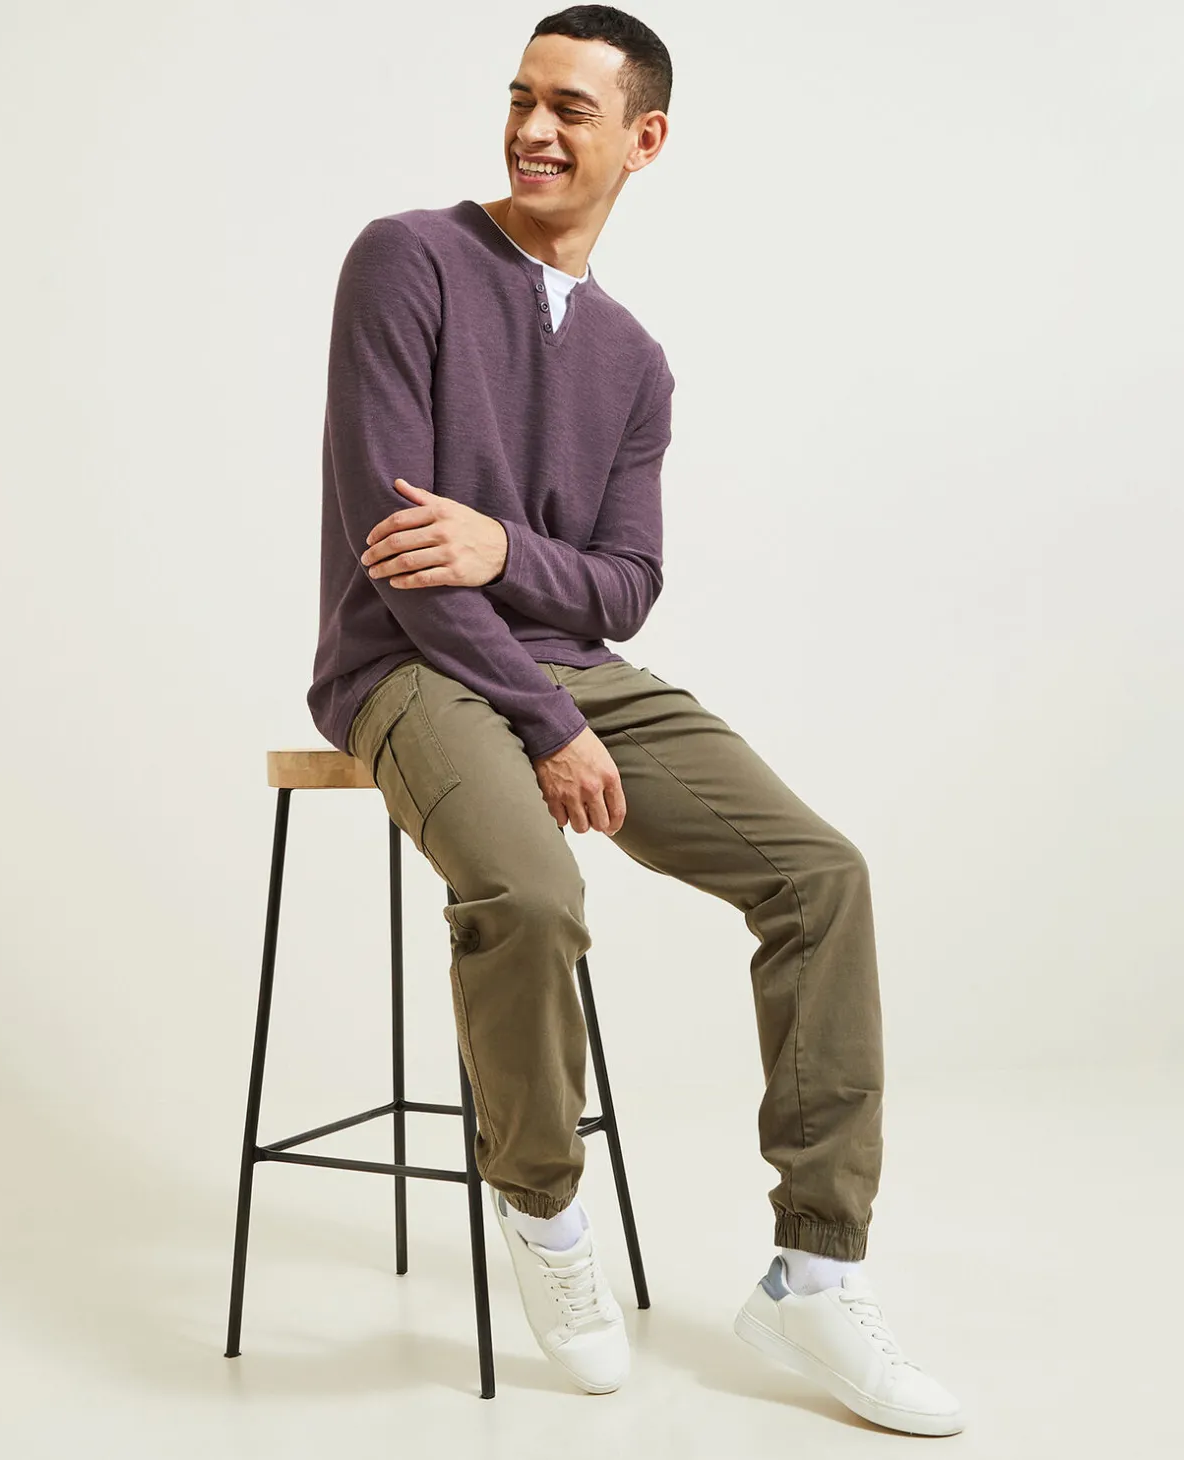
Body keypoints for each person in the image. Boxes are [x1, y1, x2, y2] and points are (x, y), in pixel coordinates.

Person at [306, 4, 965, 1435]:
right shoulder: (407, 259)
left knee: (821, 875)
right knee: (532, 894)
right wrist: (543, 714)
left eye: (573, 108)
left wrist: (505, 550)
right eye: (521, 97)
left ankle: (815, 1273)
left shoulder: (635, 359)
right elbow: (399, 550)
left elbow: (628, 584)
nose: (534, 129)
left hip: (571, 667)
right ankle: (546, 1214)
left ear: (643, 139)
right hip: (406, 662)